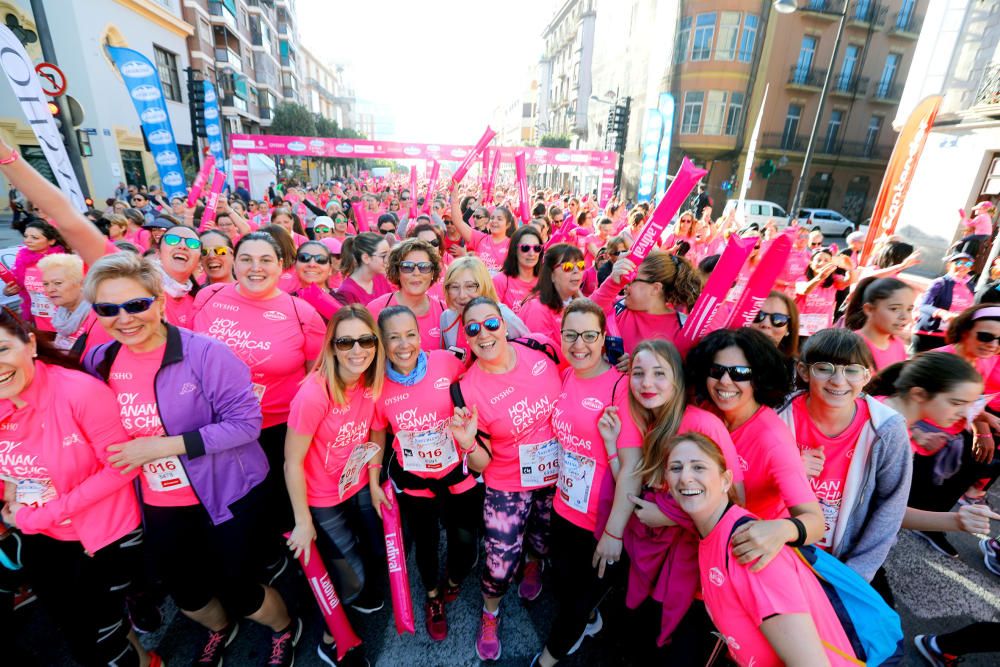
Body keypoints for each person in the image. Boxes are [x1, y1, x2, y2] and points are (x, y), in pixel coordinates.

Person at [82, 252, 301, 666]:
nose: (124, 318)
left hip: (225, 493)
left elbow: (246, 425)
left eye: (136, 304)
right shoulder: (101, 360)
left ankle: (284, 628)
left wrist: (161, 446)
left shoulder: (206, 355)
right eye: (108, 309)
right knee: (186, 592)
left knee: (238, 585)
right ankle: (221, 630)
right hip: (159, 502)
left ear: (160, 302)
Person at [0, 307, 159, 667]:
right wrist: (7, 490)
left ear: (30, 344)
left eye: (1, 350)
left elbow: (121, 467)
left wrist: (41, 515)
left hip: (103, 537)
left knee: (97, 639)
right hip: (41, 532)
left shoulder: (80, 392)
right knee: (76, 630)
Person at [666, 432, 864, 667]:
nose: (685, 477)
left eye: (698, 467)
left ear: (726, 481)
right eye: (675, 468)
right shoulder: (712, 532)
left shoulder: (749, 546)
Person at [192, 232, 326, 537]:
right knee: (228, 516)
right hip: (213, 427)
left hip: (274, 431)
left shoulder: (301, 313)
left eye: (266, 260)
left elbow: (313, 380)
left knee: (275, 514)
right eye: (246, 259)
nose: (256, 268)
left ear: (281, 266)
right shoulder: (209, 296)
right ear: (234, 263)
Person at [448, 296, 561, 661]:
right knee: (498, 563)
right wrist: (466, 444)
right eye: (473, 328)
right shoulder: (466, 389)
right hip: (507, 482)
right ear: (466, 337)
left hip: (553, 473)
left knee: (543, 538)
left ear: (504, 323)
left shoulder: (541, 348)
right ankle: (491, 612)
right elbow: (481, 464)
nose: (484, 333)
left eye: (491, 323)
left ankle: (533, 561)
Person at [533, 299, 644, 667]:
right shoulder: (566, 375)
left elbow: (633, 467)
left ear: (603, 339)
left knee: (577, 599)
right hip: (564, 507)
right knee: (564, 585)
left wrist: (613, 533)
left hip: (602, 519)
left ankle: (548, 657)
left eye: (588, 335)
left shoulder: (620, 389)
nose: (578, 344)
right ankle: (588, 620)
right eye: (570, 335)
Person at [621, 338, 745, 663]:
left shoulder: (702, 425)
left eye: (659, 373)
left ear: (678, 378)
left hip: (693, 570)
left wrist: (668, 516)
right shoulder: (646, 422)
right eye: (638, 373)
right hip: (650, 555)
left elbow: (735, 502)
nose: (647, 383)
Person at [285, 305, 384, 666]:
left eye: (365, 340)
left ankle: (360, 597)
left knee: (375, 553)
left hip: (357, 482)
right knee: (350, 578)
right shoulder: (314, 394)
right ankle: (332, 640)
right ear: (332, 347)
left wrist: (373, 479)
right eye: (346, 342)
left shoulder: (372, 381)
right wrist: (302, 521)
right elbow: (292, 461)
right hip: (322, 496)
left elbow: (377, 428)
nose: (357, 350)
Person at [371, 306, 477, 642]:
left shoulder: (446, 362)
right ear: (382, 342)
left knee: (465, 539)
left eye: (411, 334)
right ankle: (432, 596)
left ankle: (454, 580)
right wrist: (374, 478)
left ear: (420, 334)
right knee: (426, 543)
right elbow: (377, 432)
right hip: (414, 478)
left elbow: (477, 383)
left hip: (456, 471)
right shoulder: (376, 383)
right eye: (394, 337)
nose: (405, 344)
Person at [777, 328, 912, 592]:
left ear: (866, 376)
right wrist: (789, 470)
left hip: (840, 562)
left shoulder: (886, 429)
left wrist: (857, 574)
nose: (838, 381)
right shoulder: (776, 414)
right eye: (824, 368)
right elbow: (743, 478)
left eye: (851, 370)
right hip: (778, 547)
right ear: (804, 372)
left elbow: (891, 506)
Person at [686, 328, 824, 561]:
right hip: (697, 545)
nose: (725, 381)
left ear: (758, 377)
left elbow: (815, 522)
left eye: (740, 373)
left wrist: (781, 529)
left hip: (741, 556)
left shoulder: (773, 440)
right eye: (716, 370)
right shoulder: (705, 411)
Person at [592, 251, 703, 353]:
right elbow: (586, 312)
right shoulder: (618, 306)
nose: (625, 285)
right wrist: (612, 281)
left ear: (655, 288)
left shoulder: (683, 328)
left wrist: (638, 367)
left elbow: (678, 371)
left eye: (632, 279)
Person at [439, 257, 529, 359]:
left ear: (484, 286)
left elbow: (528, 354)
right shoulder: (447, 318)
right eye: (454, 287)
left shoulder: (504, 317)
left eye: (470, 286)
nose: (462, 295)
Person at [367, 238, 446, 351]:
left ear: (433, 273)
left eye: (424, 267)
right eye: (407, 266)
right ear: (397, 272)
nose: (416, 273)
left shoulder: (444, 313)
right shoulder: (376, 309)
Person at [38, 253, 112, 355]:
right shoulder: (62, 312)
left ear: (81, 283)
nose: (50, 290)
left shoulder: (98, 317)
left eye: (58, 283)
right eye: (46, 284)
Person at [519, 243, 585, 350]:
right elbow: (543, 356)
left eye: (581, 265)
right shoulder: (537, 309)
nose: (577, 271)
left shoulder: (576, 301)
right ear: (551, 275)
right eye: (568, 267)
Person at [7, 220, 68, 333]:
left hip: (61, 319)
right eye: (26, 236)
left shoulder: (62, 260)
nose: (28, 241)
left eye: (34, 238)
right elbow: (22, 287)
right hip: (37, 318)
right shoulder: (22, 258)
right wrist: (10, 290)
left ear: (51, 241)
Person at [843, 277, 915, 370]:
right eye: (894, 309)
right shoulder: (851, 346)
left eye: (909, 309)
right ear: (869, 309)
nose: (904, 317)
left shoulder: (898, 345)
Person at [913, 251, 977, 352]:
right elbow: (923, 306)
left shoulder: (970, 286)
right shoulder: (939, 282)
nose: (963, 266)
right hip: (929, 334)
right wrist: (943, 313)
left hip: (952, 335)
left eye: (968, 264)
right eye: (959, 263)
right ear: (949, 265)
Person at [448, 193, 513, 273]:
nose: (494, 221)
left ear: (508, 224)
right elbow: (458, 221)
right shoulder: (480, 238)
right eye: (492, 218)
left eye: (499, 219)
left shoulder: (512, 244)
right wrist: (454, 196)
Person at [796, 247, 852, 337]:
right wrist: (820, 277)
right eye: (818, 260)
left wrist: (850, 269)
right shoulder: (802, 279)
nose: (822, 263)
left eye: (826, 260)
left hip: (823, 330)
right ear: (810, 263)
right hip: (801, 329)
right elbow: (805, 290)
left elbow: (847, 282)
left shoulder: (834, 279)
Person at [493, 226, 542, 315]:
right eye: (525, 248)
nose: (532, 253)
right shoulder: (500, 281)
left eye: (537, 248)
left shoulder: (546, 281)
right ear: (514, 250)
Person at [336, 232, 392, 306]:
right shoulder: (347, 292)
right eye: (383, 255)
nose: (388, 260)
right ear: (366, 258)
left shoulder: (380, 279)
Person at [748, 290, 800, 360]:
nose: (766, 324)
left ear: (788, 328)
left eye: (779, 319)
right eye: (757, 315)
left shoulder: (796, 369)